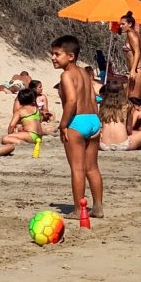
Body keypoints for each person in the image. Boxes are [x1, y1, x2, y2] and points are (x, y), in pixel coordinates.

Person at [52, 35, 104, 219]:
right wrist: (96, 122)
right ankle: (97, 207)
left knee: (77, 168)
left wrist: (63, 125)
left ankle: (78, 209)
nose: (53, 58)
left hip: (77, 121)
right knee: (93, 167)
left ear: (71, 56)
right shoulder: (84, 73)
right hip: (93, 119)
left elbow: (72, 101)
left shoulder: (66, 75)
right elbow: (92, 97)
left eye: (57, 54)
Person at [99, 79, 141, 151]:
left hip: (104, 145)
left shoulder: (103, 105)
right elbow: (129, 130)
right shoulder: (127, 105)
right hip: (122, 145)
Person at [120, 11, 141, 105]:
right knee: (135, 100)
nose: (121, 26)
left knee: (132, 101)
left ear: (130, 24)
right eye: (120, 24)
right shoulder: (139, 35)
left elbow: (137, 52)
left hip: (137, 70)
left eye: (123, 24)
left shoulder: (131, 34)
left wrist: (133, 70)